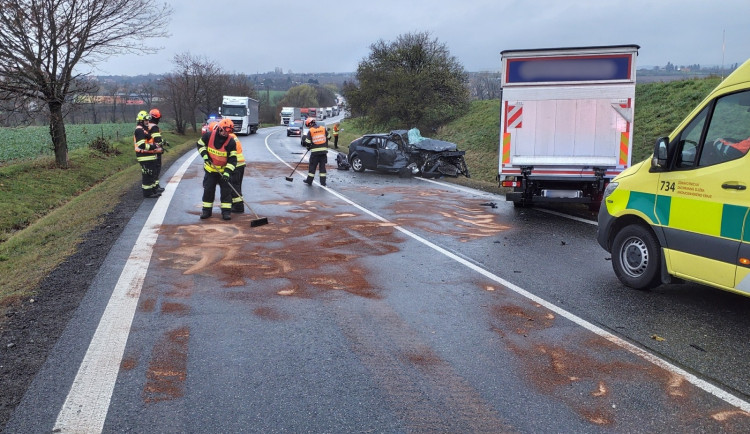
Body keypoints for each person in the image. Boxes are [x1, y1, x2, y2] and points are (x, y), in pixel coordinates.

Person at [196, 118, 238, 220]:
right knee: (208, 191)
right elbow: (200, 144)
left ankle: (226, 212)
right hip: (210, 170)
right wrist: (205, 156)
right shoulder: (209, 136)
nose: (226, 134)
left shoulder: (231, 142)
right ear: (220, 128)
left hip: (224, 172)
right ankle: (206, 211)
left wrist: (227, 173)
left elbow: (232, 160)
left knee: (226, 192)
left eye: (229, 132)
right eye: (225, 131)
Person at [134, 110, 161, 198]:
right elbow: (141, 145)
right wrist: (153, 147)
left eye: (148, 120)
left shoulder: (143, 130)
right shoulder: (139, 130)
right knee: (147, 175)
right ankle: (147, 193)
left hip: (149, 156)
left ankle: (152, 191)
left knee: (151, 174)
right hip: (144, 156)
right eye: (145, 120)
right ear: (141, 121)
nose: (147, 122)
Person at [302, 117, 330, 186]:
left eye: (308, 126)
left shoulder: (311, 131)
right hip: (323, 152)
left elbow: (308, 142)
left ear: (310, 124)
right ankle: (323, 182)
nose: (308, 127)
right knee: (322, 168)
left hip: (315, 153)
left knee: (312, 167)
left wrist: (308, 147)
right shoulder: (323, 128)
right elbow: (329, 137)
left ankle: (309, 181)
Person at [146, 108, 165, 193]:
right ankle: (155, 186)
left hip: (149, 150)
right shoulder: (154, 127)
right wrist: (162, 145)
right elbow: (157, 140)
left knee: (152, 169)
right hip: (155, 151)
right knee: (156, 168)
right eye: (158, 118)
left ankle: (155, 186)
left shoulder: (147, 125)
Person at [230, 132, 246, 213]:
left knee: (234, 186)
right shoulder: (233, 135)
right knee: (237, 186)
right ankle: (236, 204)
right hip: (241, 164)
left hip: (235, 165)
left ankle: (238, 207)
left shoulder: (228, 137)